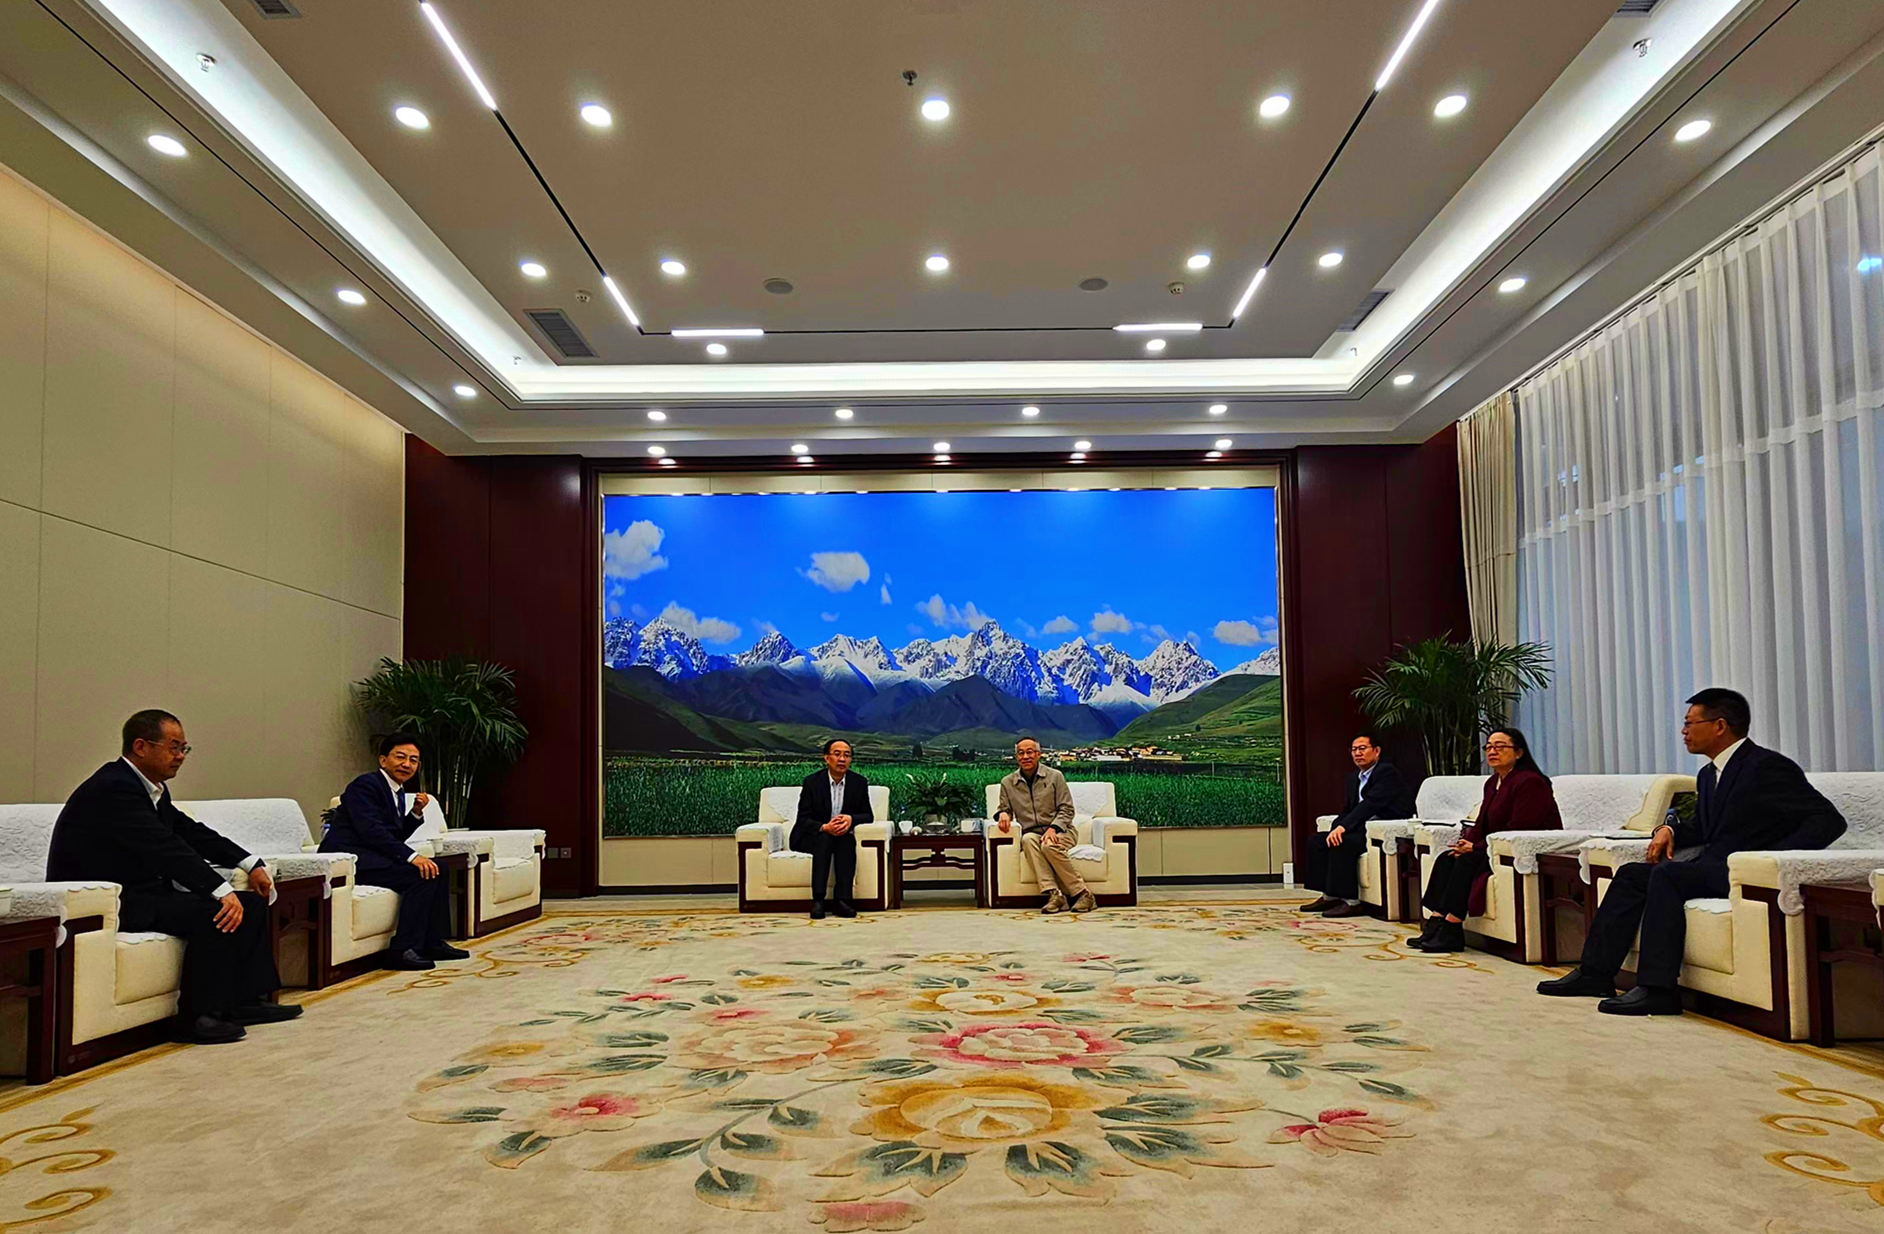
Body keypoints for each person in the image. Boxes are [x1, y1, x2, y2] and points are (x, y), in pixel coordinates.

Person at [1538, 688, 1846, 1015]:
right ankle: (1595, 974)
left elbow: (1828, 821)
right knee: (1630, 875)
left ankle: (1658, 989)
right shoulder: (1709, 774)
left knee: (1668, 875)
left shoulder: (1766, 766)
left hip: (1748, 875)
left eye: (1690, 723)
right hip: (1713, 868)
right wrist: (1668, 830)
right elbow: (1704, 827)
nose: (1683, 731)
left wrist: (1770, 859)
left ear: (1719, 726)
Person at [45, 710, 299, 1045]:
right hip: (106, 901)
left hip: (143, 893)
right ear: (141, 746)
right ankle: (196, 1017)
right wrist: (219, 889)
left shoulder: (151, 789)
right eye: (174, 747)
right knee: (216, 913)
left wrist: (250, 862)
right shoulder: (113, 788)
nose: (180, 756)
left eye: (184, 749)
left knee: (250, 906)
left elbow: (189, 832)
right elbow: (164, 847)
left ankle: (243, 1002)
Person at [322, 733, 470, 971]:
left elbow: (393, 835)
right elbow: (371, 831)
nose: (407, 764)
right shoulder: (365, 785)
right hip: (350, 861)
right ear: (383, 760)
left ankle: (432, 942)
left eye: (413, 760)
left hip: (374, 857)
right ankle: (402, 950)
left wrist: (416, 813)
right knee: (420, 875)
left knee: (438, 869)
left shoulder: (397, 790)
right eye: (400, 757)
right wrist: (413, 857)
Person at [1409, 727, 1560, 952]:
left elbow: (1521, 827)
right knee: (1447, 858)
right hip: (1493, 846)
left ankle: (1452, 927)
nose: (1492, 751)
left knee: (1466, 861)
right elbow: (1481, 823)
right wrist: (1466, 843)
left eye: (1500, 747)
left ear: (1519, 752)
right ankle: (1436, 921)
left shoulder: (1531, 782)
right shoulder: (1492, 782)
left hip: (1521, 847)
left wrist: (1476, 847)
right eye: (1488, 747)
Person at [1300, 732, 1417, 918]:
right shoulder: (1354, 777)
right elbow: (1348, 809)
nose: (1357, 753)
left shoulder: (1386, 772)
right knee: (1317, 842)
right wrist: (1336, 828)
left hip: (1382, 826)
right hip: (1363, 826)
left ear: (1376, 751)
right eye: (1354, 749)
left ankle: (1352, 902)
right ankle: (1330, 896)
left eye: (1362, 748)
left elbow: (1371, 804)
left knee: (1343, 843)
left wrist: (1343, 828)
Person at [994, 737, 1091, 914]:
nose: (1025, 757)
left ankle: (1083, 894)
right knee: (1028, 840)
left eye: (1030, 752)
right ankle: (1054, 894)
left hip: (1062, 830)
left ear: (1039, 754)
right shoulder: (1008, 783)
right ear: (1016, 757)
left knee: (1049, 845)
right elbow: (1004, 808)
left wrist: (1054, 828)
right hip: (1032, 832)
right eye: (1021, 753)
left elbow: (1067, 809)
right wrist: (1003, 814)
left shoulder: (1055, 776)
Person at [791, 738, 874, 920]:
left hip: (841, 836)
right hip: (811, 836)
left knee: (846, 840)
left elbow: (868, 815)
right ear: (827, 758)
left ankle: (842, 901)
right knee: (825, 839)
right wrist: (824, 827)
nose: (842, 759)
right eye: (837, 754)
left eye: (847, 755)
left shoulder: (858, 782)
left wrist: (851, 819)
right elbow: (803, 820)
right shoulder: (812, 782)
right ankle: (818, 900)